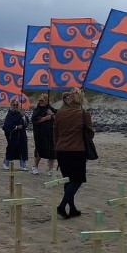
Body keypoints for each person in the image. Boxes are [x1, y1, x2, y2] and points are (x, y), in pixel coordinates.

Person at [53, 87, 93, 218]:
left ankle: (72, 208)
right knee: (77, 179)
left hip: (61, 149)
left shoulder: (59, 113)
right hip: (76, 150)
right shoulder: (83, 114)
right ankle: (62, 205)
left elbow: (56, 133)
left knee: (68, 180)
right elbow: (90, 133)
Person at [31, 93, 56, 175]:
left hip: (50, 133)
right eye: (39, 100)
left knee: (52, 152)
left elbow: (59, 118)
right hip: (40, 133)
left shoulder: (51, 109)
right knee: (39, 150)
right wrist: (45, 118)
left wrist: (52, 115)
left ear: (46, 101)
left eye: (42, 100)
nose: (40, 102)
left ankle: (50, 169)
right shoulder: (37, 110)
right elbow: (34, 120)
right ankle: (35, 167)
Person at [2, 98, 29, 170]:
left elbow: (26, 124)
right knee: (11, 149)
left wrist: (23, 116)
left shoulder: (20, 113)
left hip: (21, 135)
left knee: (22, 149)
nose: (15, 106)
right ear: (11, 105)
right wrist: (16, 127)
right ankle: (5, 163)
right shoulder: (9, 114)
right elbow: (7, 125)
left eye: (17, 105)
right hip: (12, 135)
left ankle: (23, 165)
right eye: (14, 105)